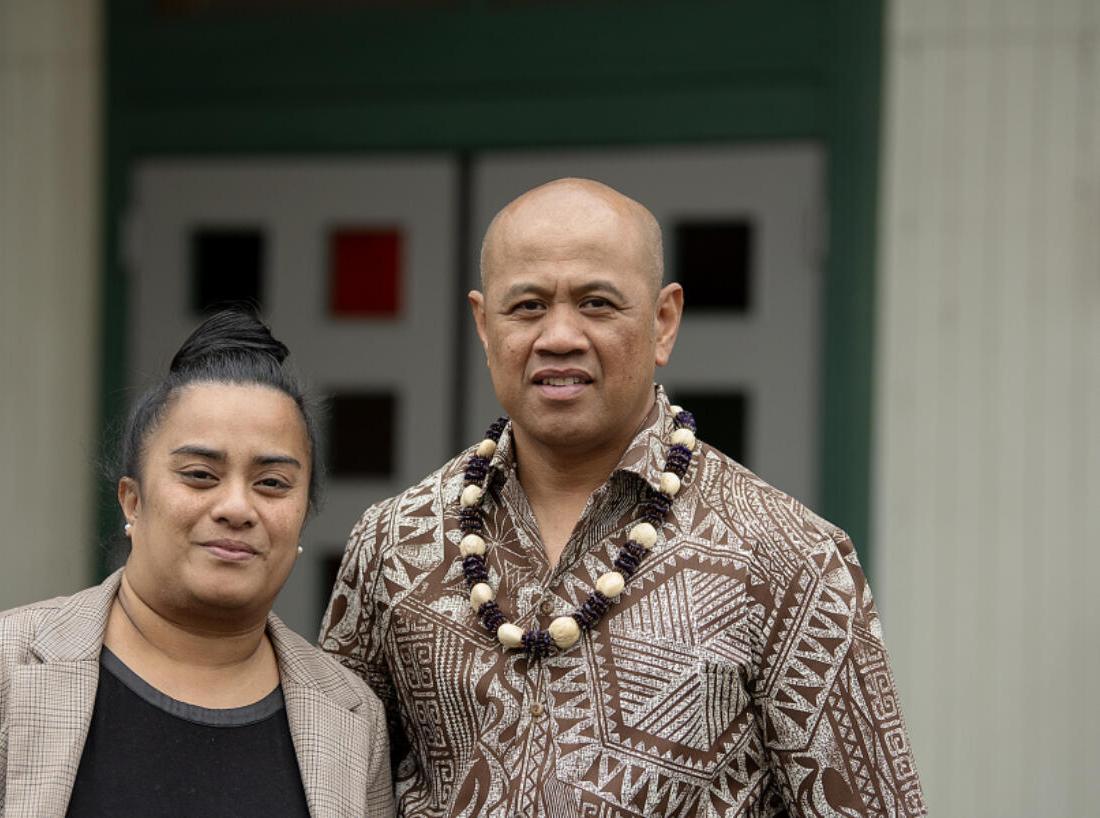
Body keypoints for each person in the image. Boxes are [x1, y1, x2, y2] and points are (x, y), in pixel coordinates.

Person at [321, 178, 926, 816]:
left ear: (664, 322)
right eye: (526, 306)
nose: (558, 336)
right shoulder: (396, 540)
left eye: (597, 304)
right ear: (483, 324)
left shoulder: (787, 557)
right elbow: (332, 786)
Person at [0, 309, 393, 817]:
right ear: (132, 501)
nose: (237, 507)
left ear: (302, 517)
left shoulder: (350, 716)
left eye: (273, 484)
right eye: (199, 474)